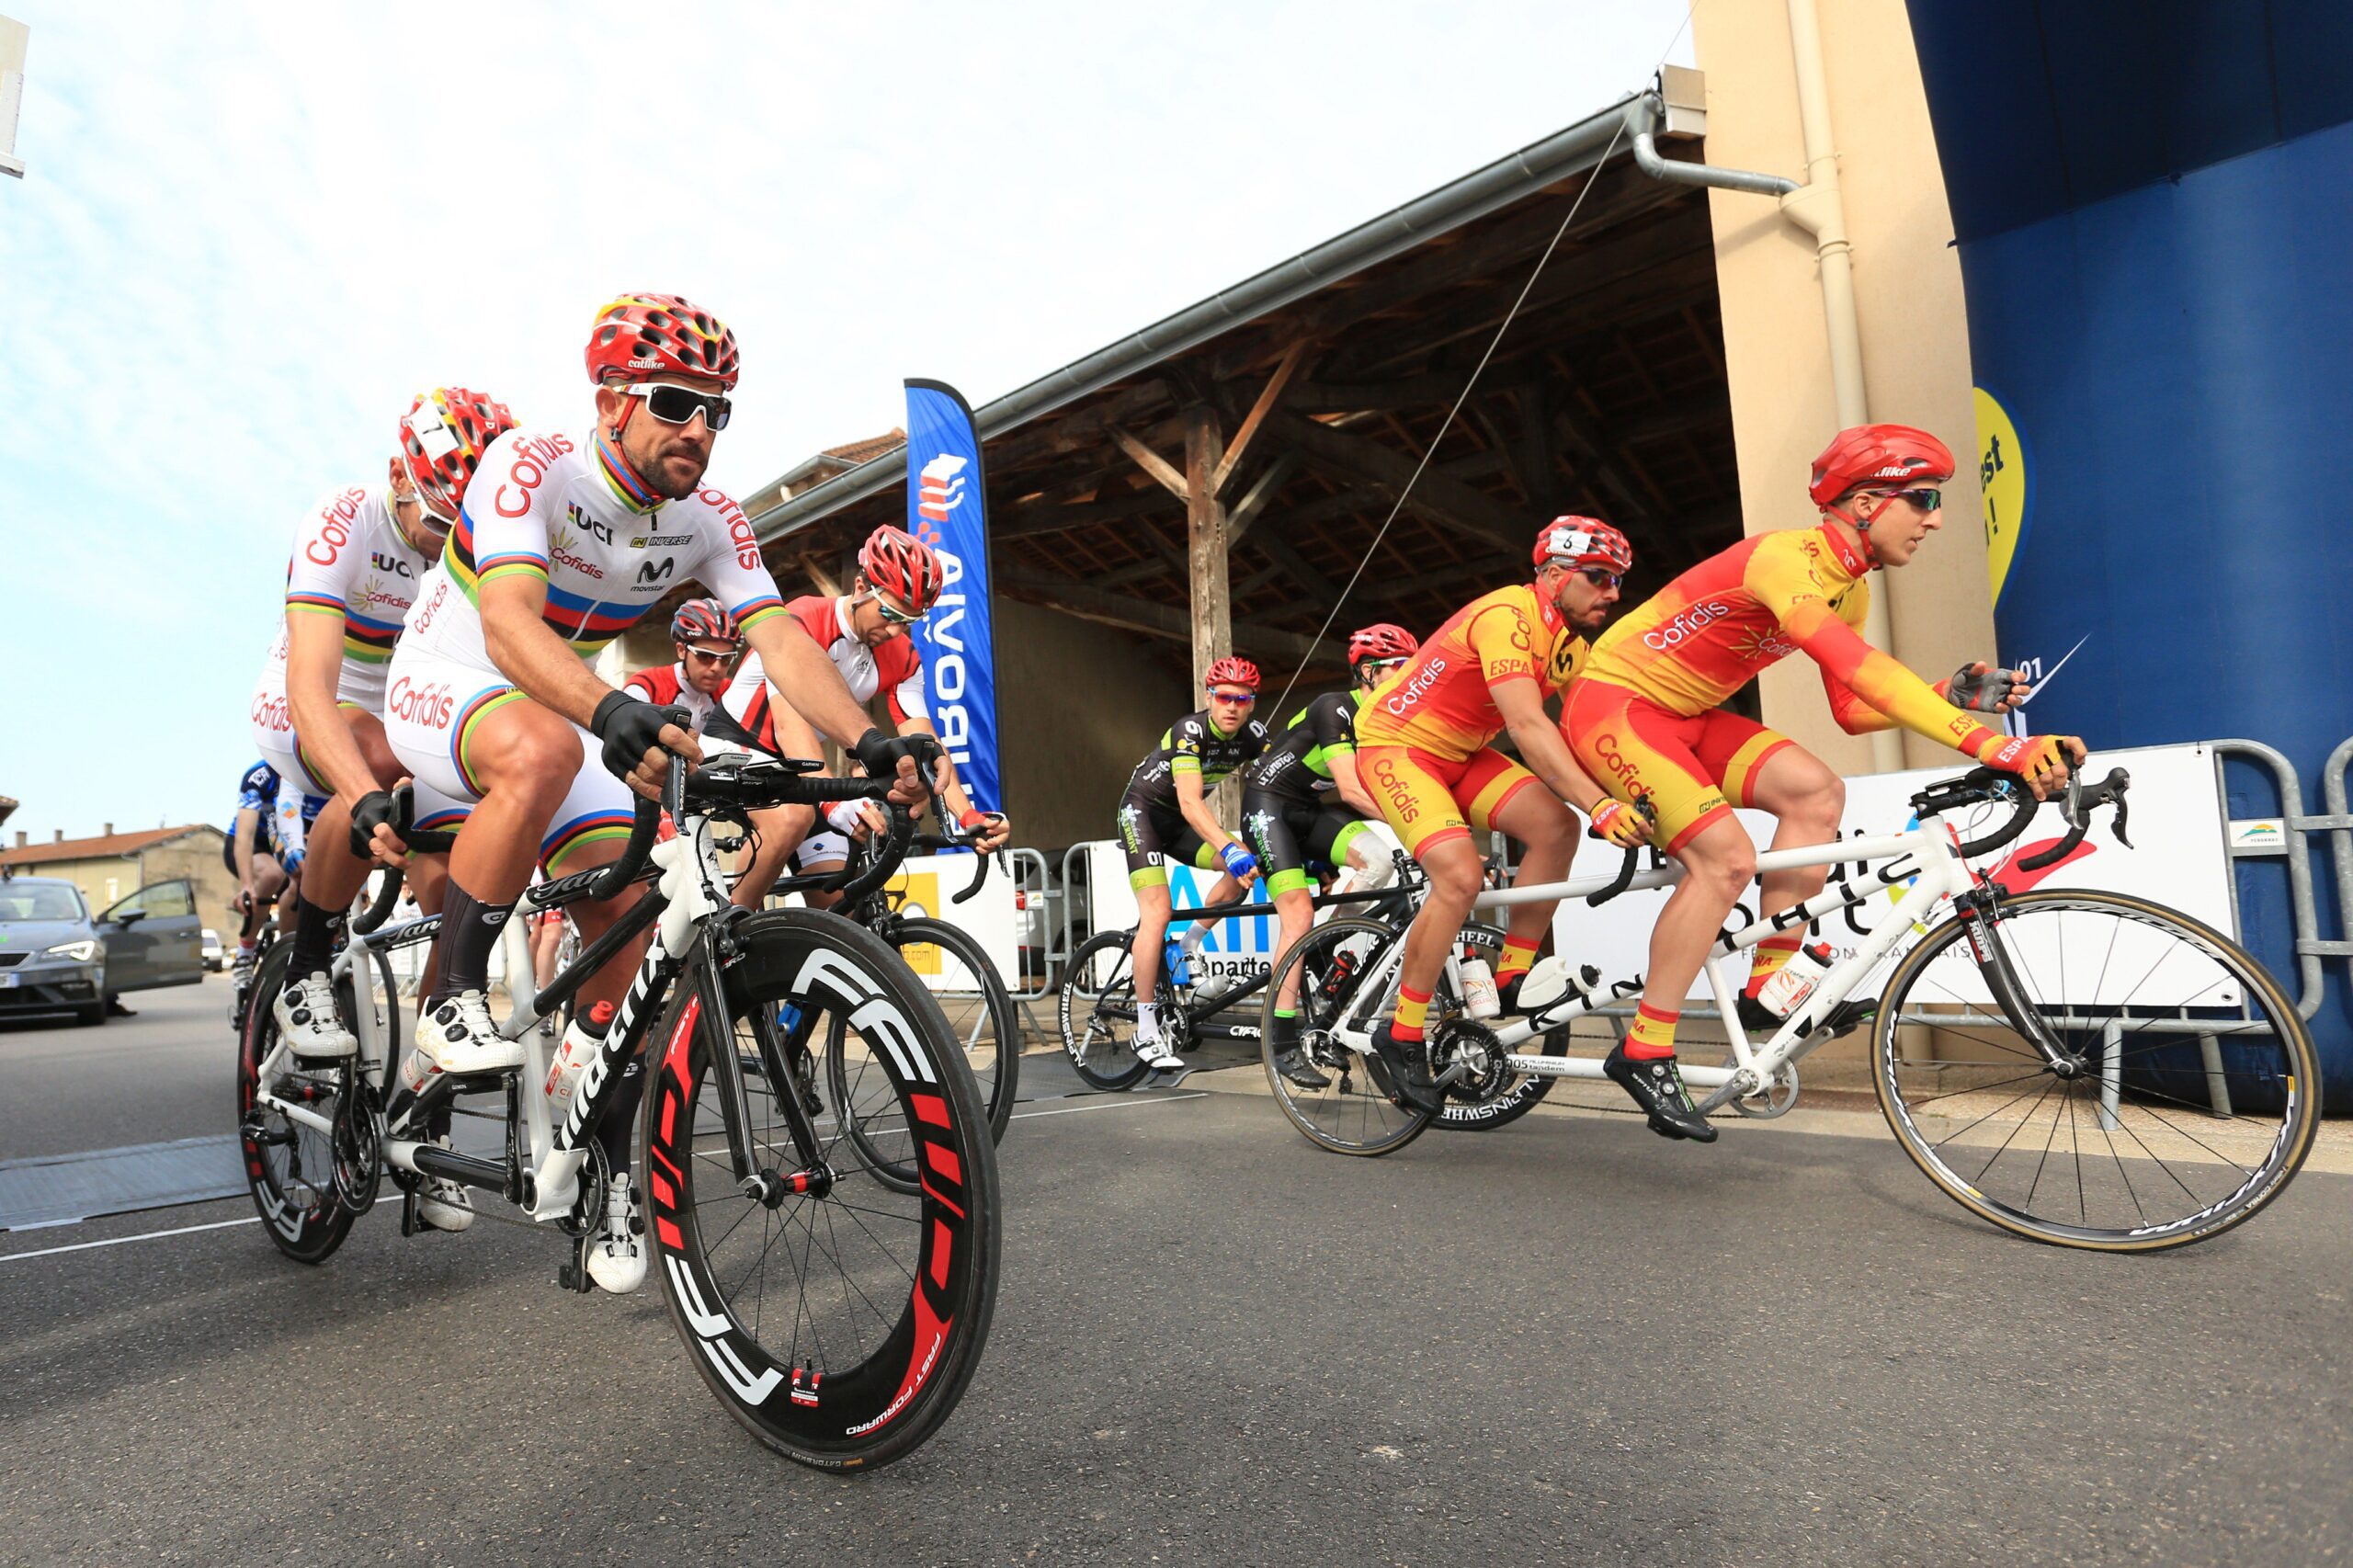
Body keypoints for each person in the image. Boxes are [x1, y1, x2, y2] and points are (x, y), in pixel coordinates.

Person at [373, 292, 937, 1288]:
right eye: (676, 401)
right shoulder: (530, 467)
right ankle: (450, 995)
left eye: (718, 411)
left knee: (635, 919)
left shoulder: (710, 519)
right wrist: (604, 707)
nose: (699, 430)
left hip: (563, 703)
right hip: (455, 676)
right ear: (610, 401)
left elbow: (779, 638)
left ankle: (602, 1149)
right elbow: (505, 623)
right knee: (545, 747)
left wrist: (872, 736)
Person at [1563, 424, 2076, 1142]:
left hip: (1688, 715)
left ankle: (1768, 987)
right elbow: (1865, 671)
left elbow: (1853, 708)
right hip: (1616, 705)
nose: (1935, 518)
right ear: (1866, 502)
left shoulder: (1851, 590)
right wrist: (1997, 749)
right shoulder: (1785, 559)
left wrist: (1951, 693)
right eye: (1923, 498)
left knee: (1815, 791)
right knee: (1727, 858)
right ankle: (1645, 1046)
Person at [1353, 518, 1653, 1112]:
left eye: (1618, 580)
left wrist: (1644, 792)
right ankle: (1403, 1031)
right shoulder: (1508, 617)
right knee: (1461, 876)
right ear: (1554, 574)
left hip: (1461, 753)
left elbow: (1589, 731)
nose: (1613, 594)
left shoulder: (1571, 645)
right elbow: (1526, 725)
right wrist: (1599, 803)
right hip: (1399, 747)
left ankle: (1514, 974)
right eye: (1599, 578)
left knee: (1555, 828)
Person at [255, 388, 513, 1059]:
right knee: (376, 758)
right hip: (314, 697)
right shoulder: (345, 518)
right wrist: (363, 793)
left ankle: (427, 1093)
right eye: (433, 519)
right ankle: (305, 967)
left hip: (410, 708)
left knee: (451, 898)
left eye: (460, 529)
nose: (443, 541)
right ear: (399, 475)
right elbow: (309, 680)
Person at [719, 525, 1010, 910]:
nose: (894, 630)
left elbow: (926, 745)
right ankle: (726, 935)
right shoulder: (803, 619)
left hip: (797, 768)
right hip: (736, 743)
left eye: (909, 621)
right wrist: (833, 804)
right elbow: (791, 727)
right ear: (860, 587)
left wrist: (966, 815)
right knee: (792, 819)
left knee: (840, 903)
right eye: (889, 613)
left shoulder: (903, 658)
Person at [1240, 623, 1420, 1087]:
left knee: (1378, 861)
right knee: (1297, 916)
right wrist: (1417, 826)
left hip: (1306, 812)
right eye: (1398, 668)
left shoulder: (1390, 721)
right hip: (1268, 807)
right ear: (1368, 672)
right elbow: (1351, 788)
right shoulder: (1335, 707)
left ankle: (1323, 946)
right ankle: (1280, 1039)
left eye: (1410, 668)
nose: (1407, 676)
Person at [1114, 655, 1269, 1072]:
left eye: (1242, 698)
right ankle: (1145, 1030)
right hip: (1144, 814)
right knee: (1158, 912)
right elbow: (1189, 801)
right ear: (1209, 696)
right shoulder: (1191, 730)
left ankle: (1187, 947)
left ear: (1252, 702)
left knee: (1246, 871)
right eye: (1223, 697)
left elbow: (1276, 784)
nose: (1232, 706)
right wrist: (1227, 845)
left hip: (1180, 827)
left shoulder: (1254, 736)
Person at [225, 758, 314, 991]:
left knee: (302, 881)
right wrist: (247, 885)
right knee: (271, 875)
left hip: (291, 840)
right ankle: (245, 951)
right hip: (254, 845)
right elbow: (244, 835)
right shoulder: (260, 776)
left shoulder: (314, 770)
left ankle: (291, 955)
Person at [622, 597, 743, 734]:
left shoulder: (731, 692)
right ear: (681, 650)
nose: (717, 667)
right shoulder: (648, 686)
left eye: (726, 658)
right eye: (706, 656)